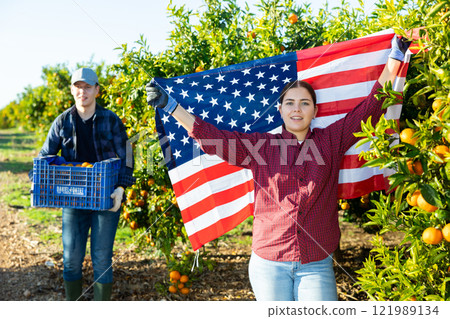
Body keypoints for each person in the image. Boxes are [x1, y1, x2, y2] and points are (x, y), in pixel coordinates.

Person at [145, 36, 410, 301]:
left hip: (316, 265)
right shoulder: (261, 147)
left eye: (304, 103)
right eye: (290, 103)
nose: (297, 109)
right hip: (268, 263)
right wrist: (172, 107)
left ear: (315, 111)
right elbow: (214, 139)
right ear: (280, 110)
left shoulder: (331, 140)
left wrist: (396, 57)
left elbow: (371, 108)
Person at [36, 67, 135, 301]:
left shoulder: (111, 120)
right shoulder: (62, 122)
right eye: (78, 87)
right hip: (73, 197)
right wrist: (47, 181)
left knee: (101, 259)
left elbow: (128, 158)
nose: (83, 92)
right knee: (71, 260)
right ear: (72, 90)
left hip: (105, 198)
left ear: (97, 90)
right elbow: (45, 156)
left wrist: (121, 189)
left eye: (88, 87)